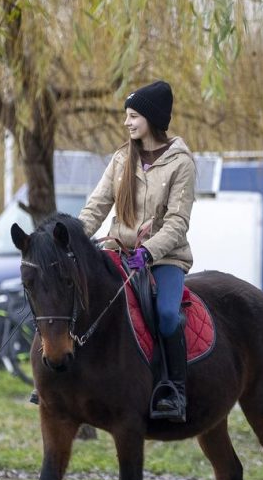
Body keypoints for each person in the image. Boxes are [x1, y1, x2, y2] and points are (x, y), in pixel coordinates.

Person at [77, 79, 197, 422]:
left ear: (151, 117)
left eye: (133, 116)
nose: (127, 123)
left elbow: (177, 223)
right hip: (118, 250)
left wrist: (148, 252)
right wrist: (69, 238)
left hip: (164, 257)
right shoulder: (120, 160)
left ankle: (174, 390)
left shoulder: (181, 164)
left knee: (168, 316)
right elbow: (96, 207)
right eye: (126, 116)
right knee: (79, 297)